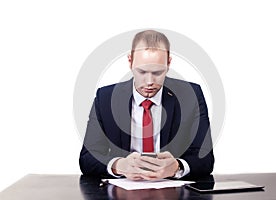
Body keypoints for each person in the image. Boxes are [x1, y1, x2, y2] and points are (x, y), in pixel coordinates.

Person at [79, 30, 214, 181]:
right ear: (130, 62)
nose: (149, 81)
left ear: (168, 63)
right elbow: (87, 158)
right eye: (142, 71)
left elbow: (206, 158)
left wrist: (177, 166)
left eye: (158, 72)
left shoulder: (191, 95)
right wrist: (119, 165)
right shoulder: (105, 98)